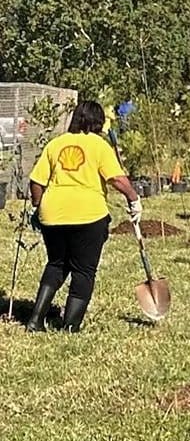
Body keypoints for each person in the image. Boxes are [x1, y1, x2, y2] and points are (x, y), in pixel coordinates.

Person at [24, 101, 141, 332]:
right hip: (88, 216)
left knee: (57, 264)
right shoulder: (99, 146)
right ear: (98, 122)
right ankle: (70, 326)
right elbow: (116, 178)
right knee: (84, 270)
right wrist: (133, 198)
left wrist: (38, 207)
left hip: (53, 215)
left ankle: (35, 320)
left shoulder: (55, 144)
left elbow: (36, 181)